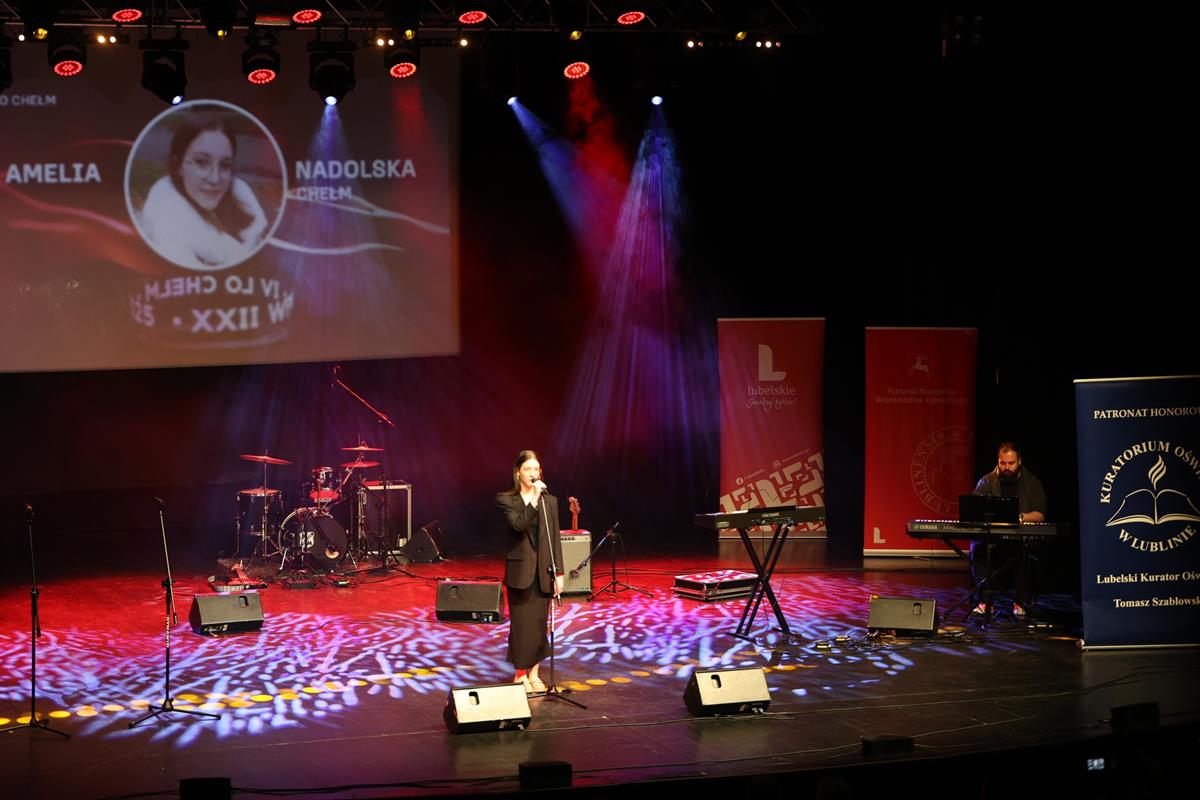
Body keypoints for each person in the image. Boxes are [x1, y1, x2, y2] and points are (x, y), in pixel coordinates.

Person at [137, 113, 268, 270]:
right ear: (178, 165)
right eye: (201, 162)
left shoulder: (240, 194)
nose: (215, 178)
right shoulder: (166, 216)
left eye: (225, 165)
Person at [496, 450, 564, 693]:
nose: (533, 473)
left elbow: (554, 538)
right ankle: (519, 674)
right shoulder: (506, 500)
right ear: (518, 473)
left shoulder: (550, 501)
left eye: (536, 469)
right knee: (521, 626)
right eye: (528, 469)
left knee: (538, 625)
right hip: (520, 571)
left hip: (544, 570)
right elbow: (518, 525)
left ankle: (534, 674)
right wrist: (534, 498)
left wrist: (559, 573)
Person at [970, 441, 1048, 617]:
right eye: (1002, 463)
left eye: (1011, 463)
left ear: (1019, 461)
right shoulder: (986, 481)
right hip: (992, 539)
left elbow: (1040, 514)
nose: (1006, 467)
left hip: (1019, 538)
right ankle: (985, 601)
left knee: (1025, 552)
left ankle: (1020, 601)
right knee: (978, 547)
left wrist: (1020, 517)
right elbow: (975, 510)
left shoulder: (1032, 482)